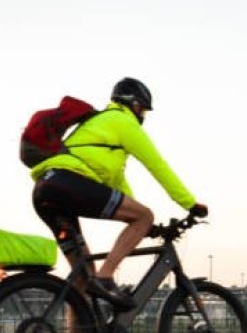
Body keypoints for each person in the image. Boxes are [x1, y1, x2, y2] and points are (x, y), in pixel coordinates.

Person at [31, 77, 207, 310]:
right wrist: (190, 204)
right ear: (134, 104)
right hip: (68, 183)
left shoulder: (102, 128)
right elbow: (158, 166)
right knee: (145, 215)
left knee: (83, 277)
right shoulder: (123, 121)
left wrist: (147, 228)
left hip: (46, 190)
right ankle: (106, 277)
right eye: (143, 110)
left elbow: (120, 190)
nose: (143, 116)